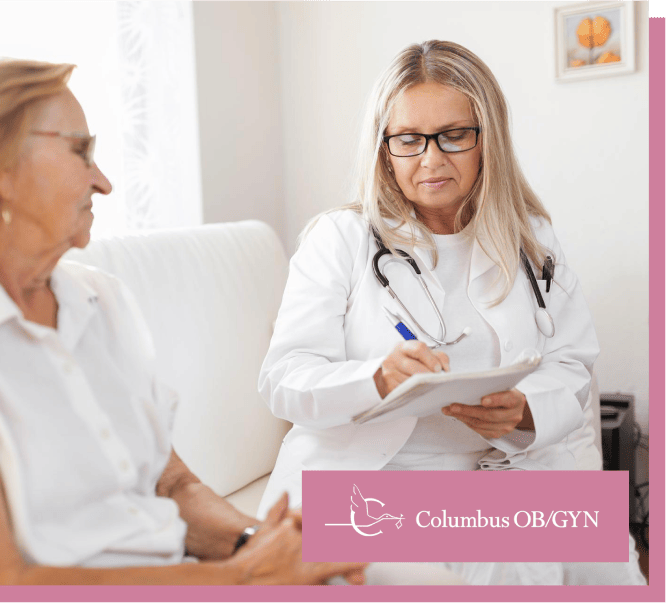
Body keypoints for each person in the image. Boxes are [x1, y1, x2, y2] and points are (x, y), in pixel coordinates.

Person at [0, 57, 366, 586]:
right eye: (81, 151)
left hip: (196, 575)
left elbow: (170, 484)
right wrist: (239, 578)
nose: (103, 181)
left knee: (411, 561)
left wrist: (262, 546)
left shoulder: (101, 301)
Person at [256, 40, 644, 585]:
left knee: (612, 564)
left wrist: (524, 410)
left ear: (488, 139)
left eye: (454, 135)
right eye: (409, 140)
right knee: (509, 562)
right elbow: (283, 380)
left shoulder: (529, 236)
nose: (431, 159)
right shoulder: (339, 239)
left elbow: (571, 362)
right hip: (369, 488)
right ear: (383, 148)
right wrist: (376, 378)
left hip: (502, 471)